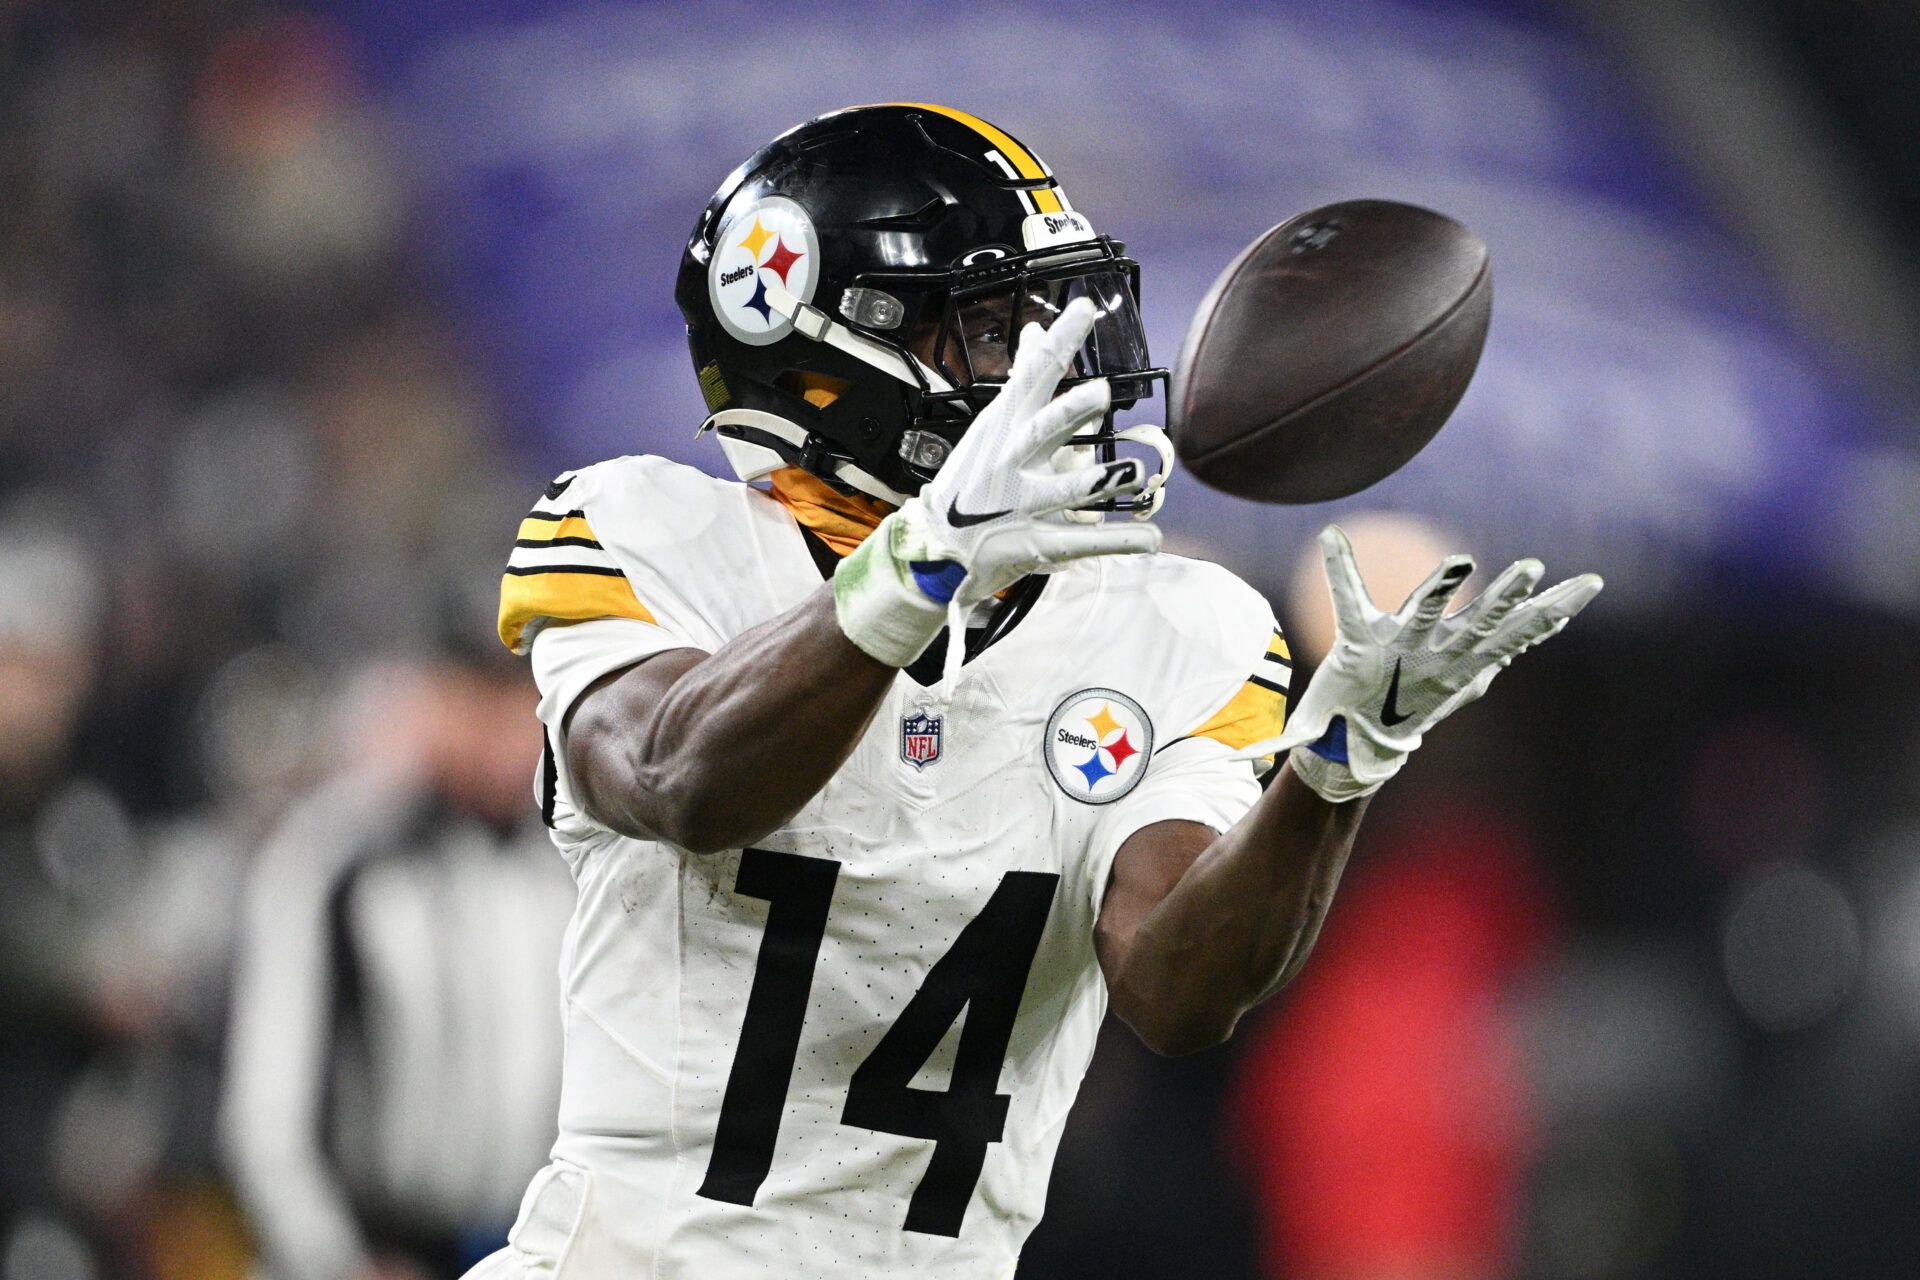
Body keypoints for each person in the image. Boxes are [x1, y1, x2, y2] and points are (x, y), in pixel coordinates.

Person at [467, 104, 1601, 1279]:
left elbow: (1175, 983)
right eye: (990, 326)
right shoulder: (642, 529)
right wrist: (918, 563)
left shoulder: (1169, 626)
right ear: (818, 355)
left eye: (1052, 313)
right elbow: (676, 775)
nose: (1054, 362)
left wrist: (1334, 771)